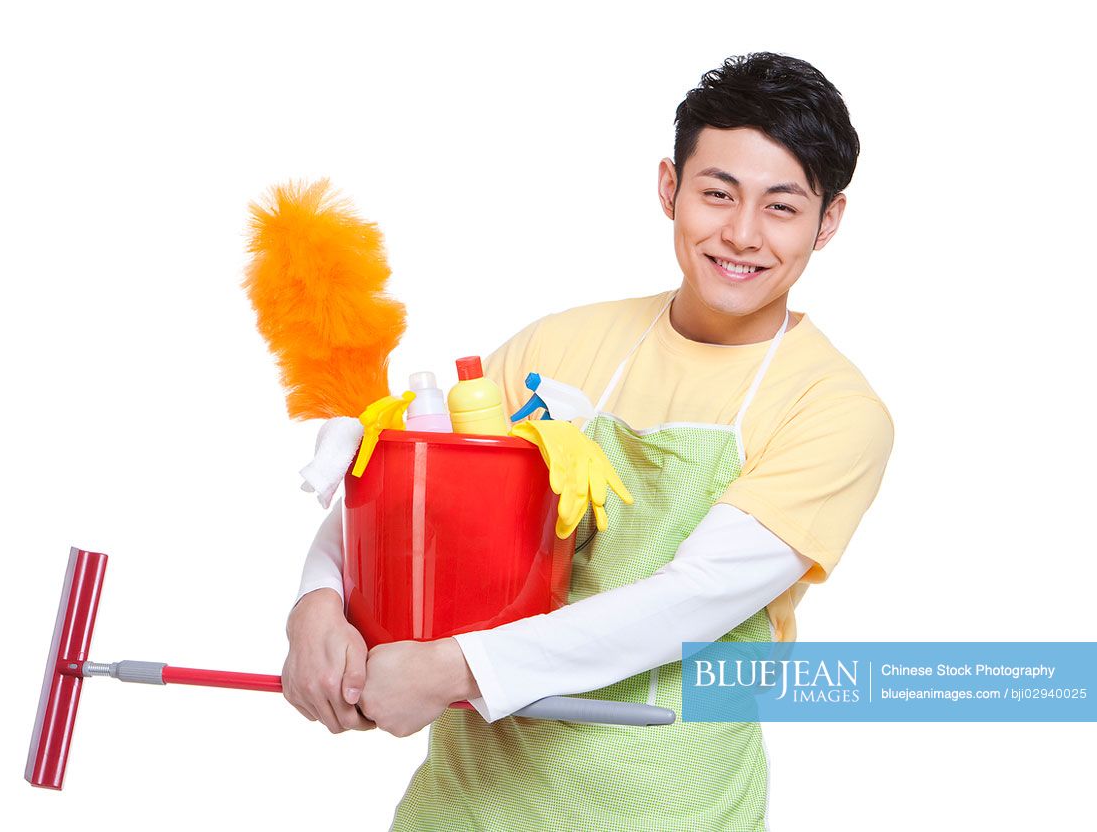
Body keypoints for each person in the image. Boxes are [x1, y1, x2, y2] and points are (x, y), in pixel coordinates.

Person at [282, 51, 893, 830]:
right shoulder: (560, 345)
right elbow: (409, 491)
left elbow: (687, 602)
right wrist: (318, 604)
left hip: (663, 799)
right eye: (716, 194)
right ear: (669, 188)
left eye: (780, 206)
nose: (740, 235)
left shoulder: (832, 409)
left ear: (827, 219)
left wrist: (449, 667)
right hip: (469, 801)